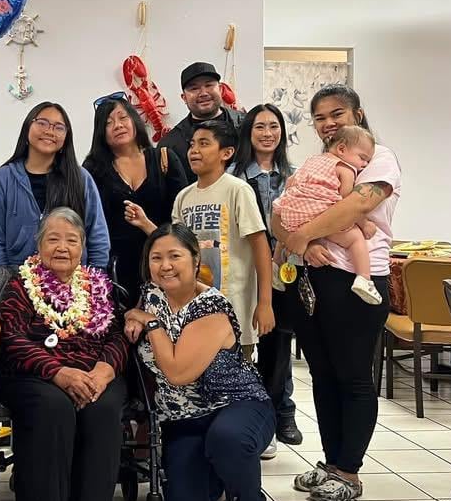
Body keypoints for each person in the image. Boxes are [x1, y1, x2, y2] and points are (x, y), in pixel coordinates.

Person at [276, 85, 400, 501]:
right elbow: (283, 212)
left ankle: (350, 470)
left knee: (353, 376)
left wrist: (302, 233)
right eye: (320, 117)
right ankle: (331, 463)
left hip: (358, 283)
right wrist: (302, 243)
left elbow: (353, 209)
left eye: (338, 114)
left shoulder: (378, 157)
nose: (329, 123)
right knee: (322, 376)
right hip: (313, 279)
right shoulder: (319, 164)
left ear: (358, 114)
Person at [124, 224, 277, 501]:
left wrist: (150, 324)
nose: (165, 265)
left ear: (195, 261)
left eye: (175, 256)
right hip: (182, 418)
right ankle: (221, 491)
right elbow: (135, 314)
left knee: (227, 439)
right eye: (156, 258)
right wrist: (134, 314)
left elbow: (177, 371)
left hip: (236, 404)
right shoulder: (152, 294)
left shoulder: (211, 307)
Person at [0, 208, 126, 501]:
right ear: (38, 245)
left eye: (72, 240)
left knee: (104, 411)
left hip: (94, 372)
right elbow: (11, 340)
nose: (63, 247)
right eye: (53, 238)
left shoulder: (98, 284)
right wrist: (58, 372)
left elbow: (118, 336)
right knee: (54, 407)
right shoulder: (21, 284)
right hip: (35, 377)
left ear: (84, 247)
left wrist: (103, 371)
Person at [172, 119, 274, 353]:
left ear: (226, 152)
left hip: (235, 310)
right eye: (192, 144)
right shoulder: (183, 197)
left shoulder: (237, 190)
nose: (194, 150)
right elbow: (177, 247)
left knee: (235, 382)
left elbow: (260, 246)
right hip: (194, 310)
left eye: (204, 143)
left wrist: (265, 302)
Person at [236, 104, 302, 455]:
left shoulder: (294, 175)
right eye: (259, 126)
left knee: (278, 346)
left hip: (284, 270)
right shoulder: (232, 175)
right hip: (242, 272)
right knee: (241, 345)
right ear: (248, 132)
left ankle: (278, 413)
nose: (267, 133)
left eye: (273, 126)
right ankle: (250, 415)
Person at [83, 95, 187, 304]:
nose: (117, 125)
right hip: (115, 271)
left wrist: (148, 226)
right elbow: (88, 223)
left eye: (122, 117)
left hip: (165, 265)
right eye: (108, 123)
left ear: (134, 120)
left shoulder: (164, 159)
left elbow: (182, 222)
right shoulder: (93, 169)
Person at [0, 102, 110, 271]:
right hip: (17, 281)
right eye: (42, 123)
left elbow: (97, 235)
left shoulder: (80, 178)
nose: (49, 131)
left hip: (72, 283)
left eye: (59, 127)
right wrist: (7, 277)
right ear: (27, 126)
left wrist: (94, 280)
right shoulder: (3, 178)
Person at [274, 125, 382, 305]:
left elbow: (290, 184)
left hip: (292, 211)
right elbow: (349, 203)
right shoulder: (345, 168)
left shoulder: (310, 161)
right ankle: (364, 278)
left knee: (287, 226)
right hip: (319, 215)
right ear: (341, 149)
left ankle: (276, 263)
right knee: (355, 237)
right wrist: (365, 224)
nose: (364, 164)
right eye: (362, 158)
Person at [160, 62, 246, 184]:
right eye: (194, 88)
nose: (203, 93)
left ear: (221, 89)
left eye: (209, 85)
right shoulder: (170, 144)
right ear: (184, 97)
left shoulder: (247, 126)